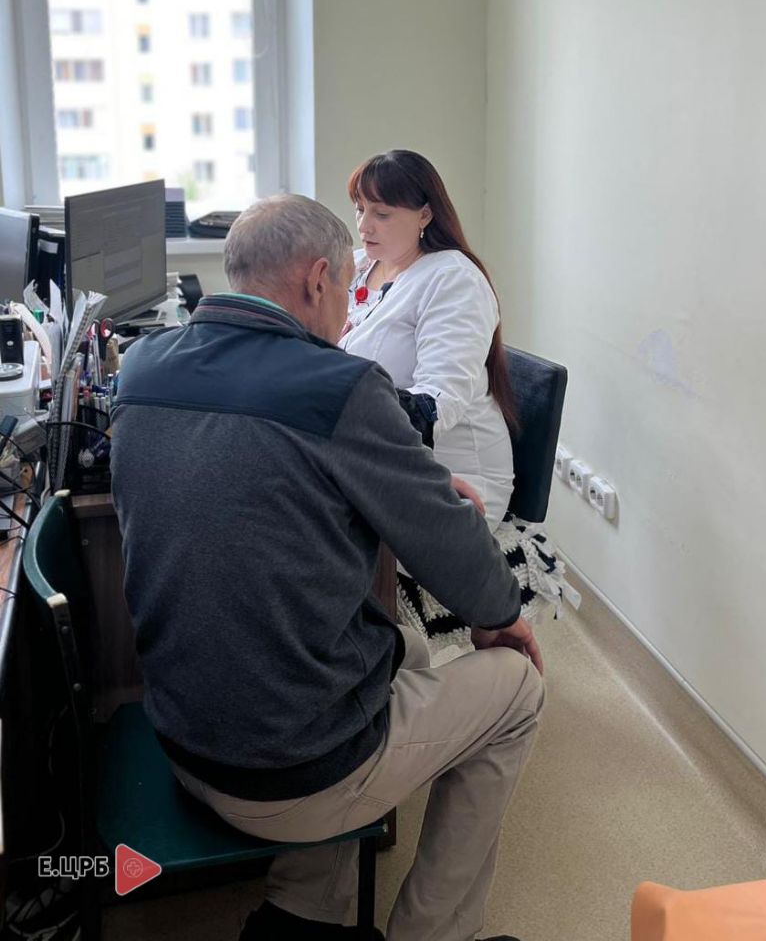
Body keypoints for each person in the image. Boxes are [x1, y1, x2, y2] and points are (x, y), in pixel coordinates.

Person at [111, 193, 544, 941]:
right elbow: (450, 544)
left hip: (180, 736)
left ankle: (304, 909)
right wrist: (503, 619)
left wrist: (408, 481)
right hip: (286, 774)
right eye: (347, 287)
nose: (348, 312)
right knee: (517, 688)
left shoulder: (142, 366)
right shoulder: (338, 386)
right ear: (317, 280)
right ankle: (436, 934)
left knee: (404, 648)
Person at [340, 152, 568, 654]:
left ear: (425, 214)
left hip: (458, 478)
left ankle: (378, 671)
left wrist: (347, 424)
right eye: (359, 209)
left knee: (325, 534)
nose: (364, 225)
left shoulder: (453, 279)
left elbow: (436, 405)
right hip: (383, 461)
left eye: (382, 213)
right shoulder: (359, 267)